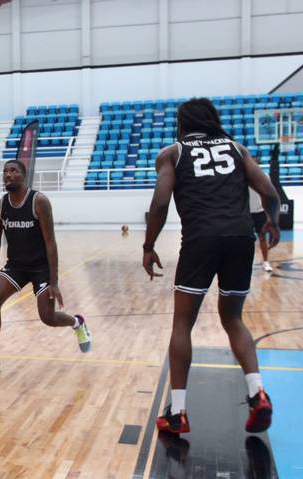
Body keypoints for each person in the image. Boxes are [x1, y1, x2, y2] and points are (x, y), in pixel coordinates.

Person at [142, 98, 281, 434]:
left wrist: (148, 245)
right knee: (233, 318)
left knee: (182, 324)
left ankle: (178, 412)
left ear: (183, 123)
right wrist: (272, 222)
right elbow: (270, 193)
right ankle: (256, 392)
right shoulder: (236, 148)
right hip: (239, 238)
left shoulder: (172, 153)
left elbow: (160, 202)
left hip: (200, 240)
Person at [0, 160, 91, 377]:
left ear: (23, 175)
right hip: (16, 266)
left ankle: (77, 322)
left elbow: (50, 242)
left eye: (13, 171)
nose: (8, 174)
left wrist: (54, 281)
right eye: (5, 171)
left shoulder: (39, 201)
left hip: (41, 267)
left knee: (47, 317)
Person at [249, 188, 273, 272]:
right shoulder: (241, 177)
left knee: (262, 238)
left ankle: (266, 262)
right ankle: (246, 263)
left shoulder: (264, 176)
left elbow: (269, 195)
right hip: (246, 212)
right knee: (246, 240)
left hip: (260, 212)